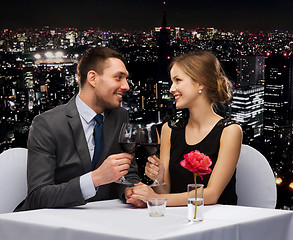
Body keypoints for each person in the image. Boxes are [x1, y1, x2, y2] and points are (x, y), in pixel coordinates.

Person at [15, 46, 144, 211]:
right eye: (118, 77)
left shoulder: (120, 116)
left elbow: (128, 174)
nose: (126, 86)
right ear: (93, 78)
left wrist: (131, 191)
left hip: (105, 220)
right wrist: (94, 179)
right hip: (54, 225)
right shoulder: (46, 124)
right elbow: (38, 195)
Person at [126, 50, 242, 207]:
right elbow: (165, 190)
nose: (171, 89)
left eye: (178, 80)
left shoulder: (230, 131)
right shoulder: (170, 129)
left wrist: (155, 198)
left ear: (201, 82)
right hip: (179, 218)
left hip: (217, 222)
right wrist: (158, 179)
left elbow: (212, 195)